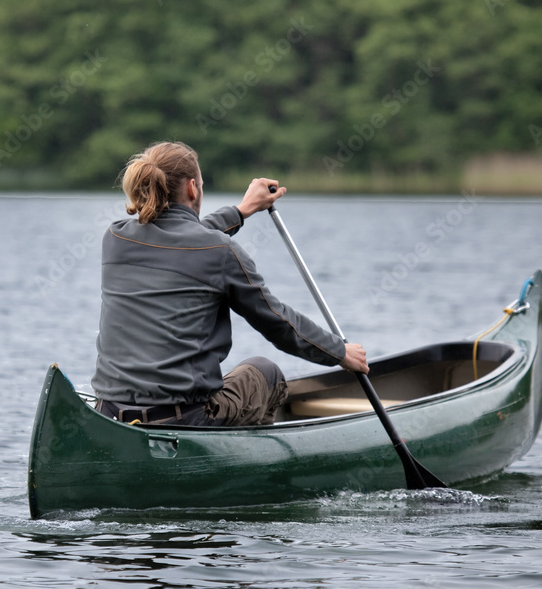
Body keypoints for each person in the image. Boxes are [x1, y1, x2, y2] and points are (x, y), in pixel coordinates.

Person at [91, 141, 369, 427]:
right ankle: (252, 461)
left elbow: (186, 240)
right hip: (184, 420)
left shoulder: (116, 238)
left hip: (109, 415)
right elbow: (277, 323)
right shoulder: (221, 252)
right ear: (192, 188)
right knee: (266, 372)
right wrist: (338, 352)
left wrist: (242, 210)